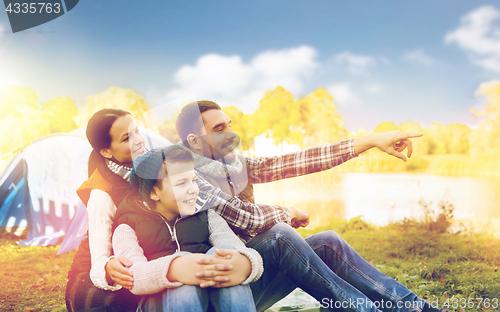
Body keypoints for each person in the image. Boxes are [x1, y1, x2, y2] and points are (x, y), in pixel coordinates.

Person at [174, 100, 450, 312]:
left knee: (328, 242)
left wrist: (369, 142)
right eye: (219, 129)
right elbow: (246, 217)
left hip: (254, 273)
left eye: (229, 124)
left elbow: (297, 161)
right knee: (280, 235)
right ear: (194, 142)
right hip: (222, 294)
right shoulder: (184, 175)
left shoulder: (234, 165)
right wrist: (288, 213)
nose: (231, 133)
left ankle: (417, 308)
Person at [65, 108, 296, 312]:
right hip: (108, 272)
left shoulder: (154, 166)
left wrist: (243, 261)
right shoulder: (102, 194)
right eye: (127, 138)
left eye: (137, 131)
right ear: (106, 151)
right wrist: (107, 267)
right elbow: (100, 263)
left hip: (168, 263)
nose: (138, 140)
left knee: (211, 266)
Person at [112, 145, 263, 311]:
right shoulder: (128, 227)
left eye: (194, 181)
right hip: (156, 305)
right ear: (154, 193)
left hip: (209, 300)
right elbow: (133, 276)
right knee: (183, 270)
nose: (193, 190)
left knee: (225, 254)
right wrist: (174, 268)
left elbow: (238, 248)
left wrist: (247, 262)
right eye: (182, 183)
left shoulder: (207, 215)